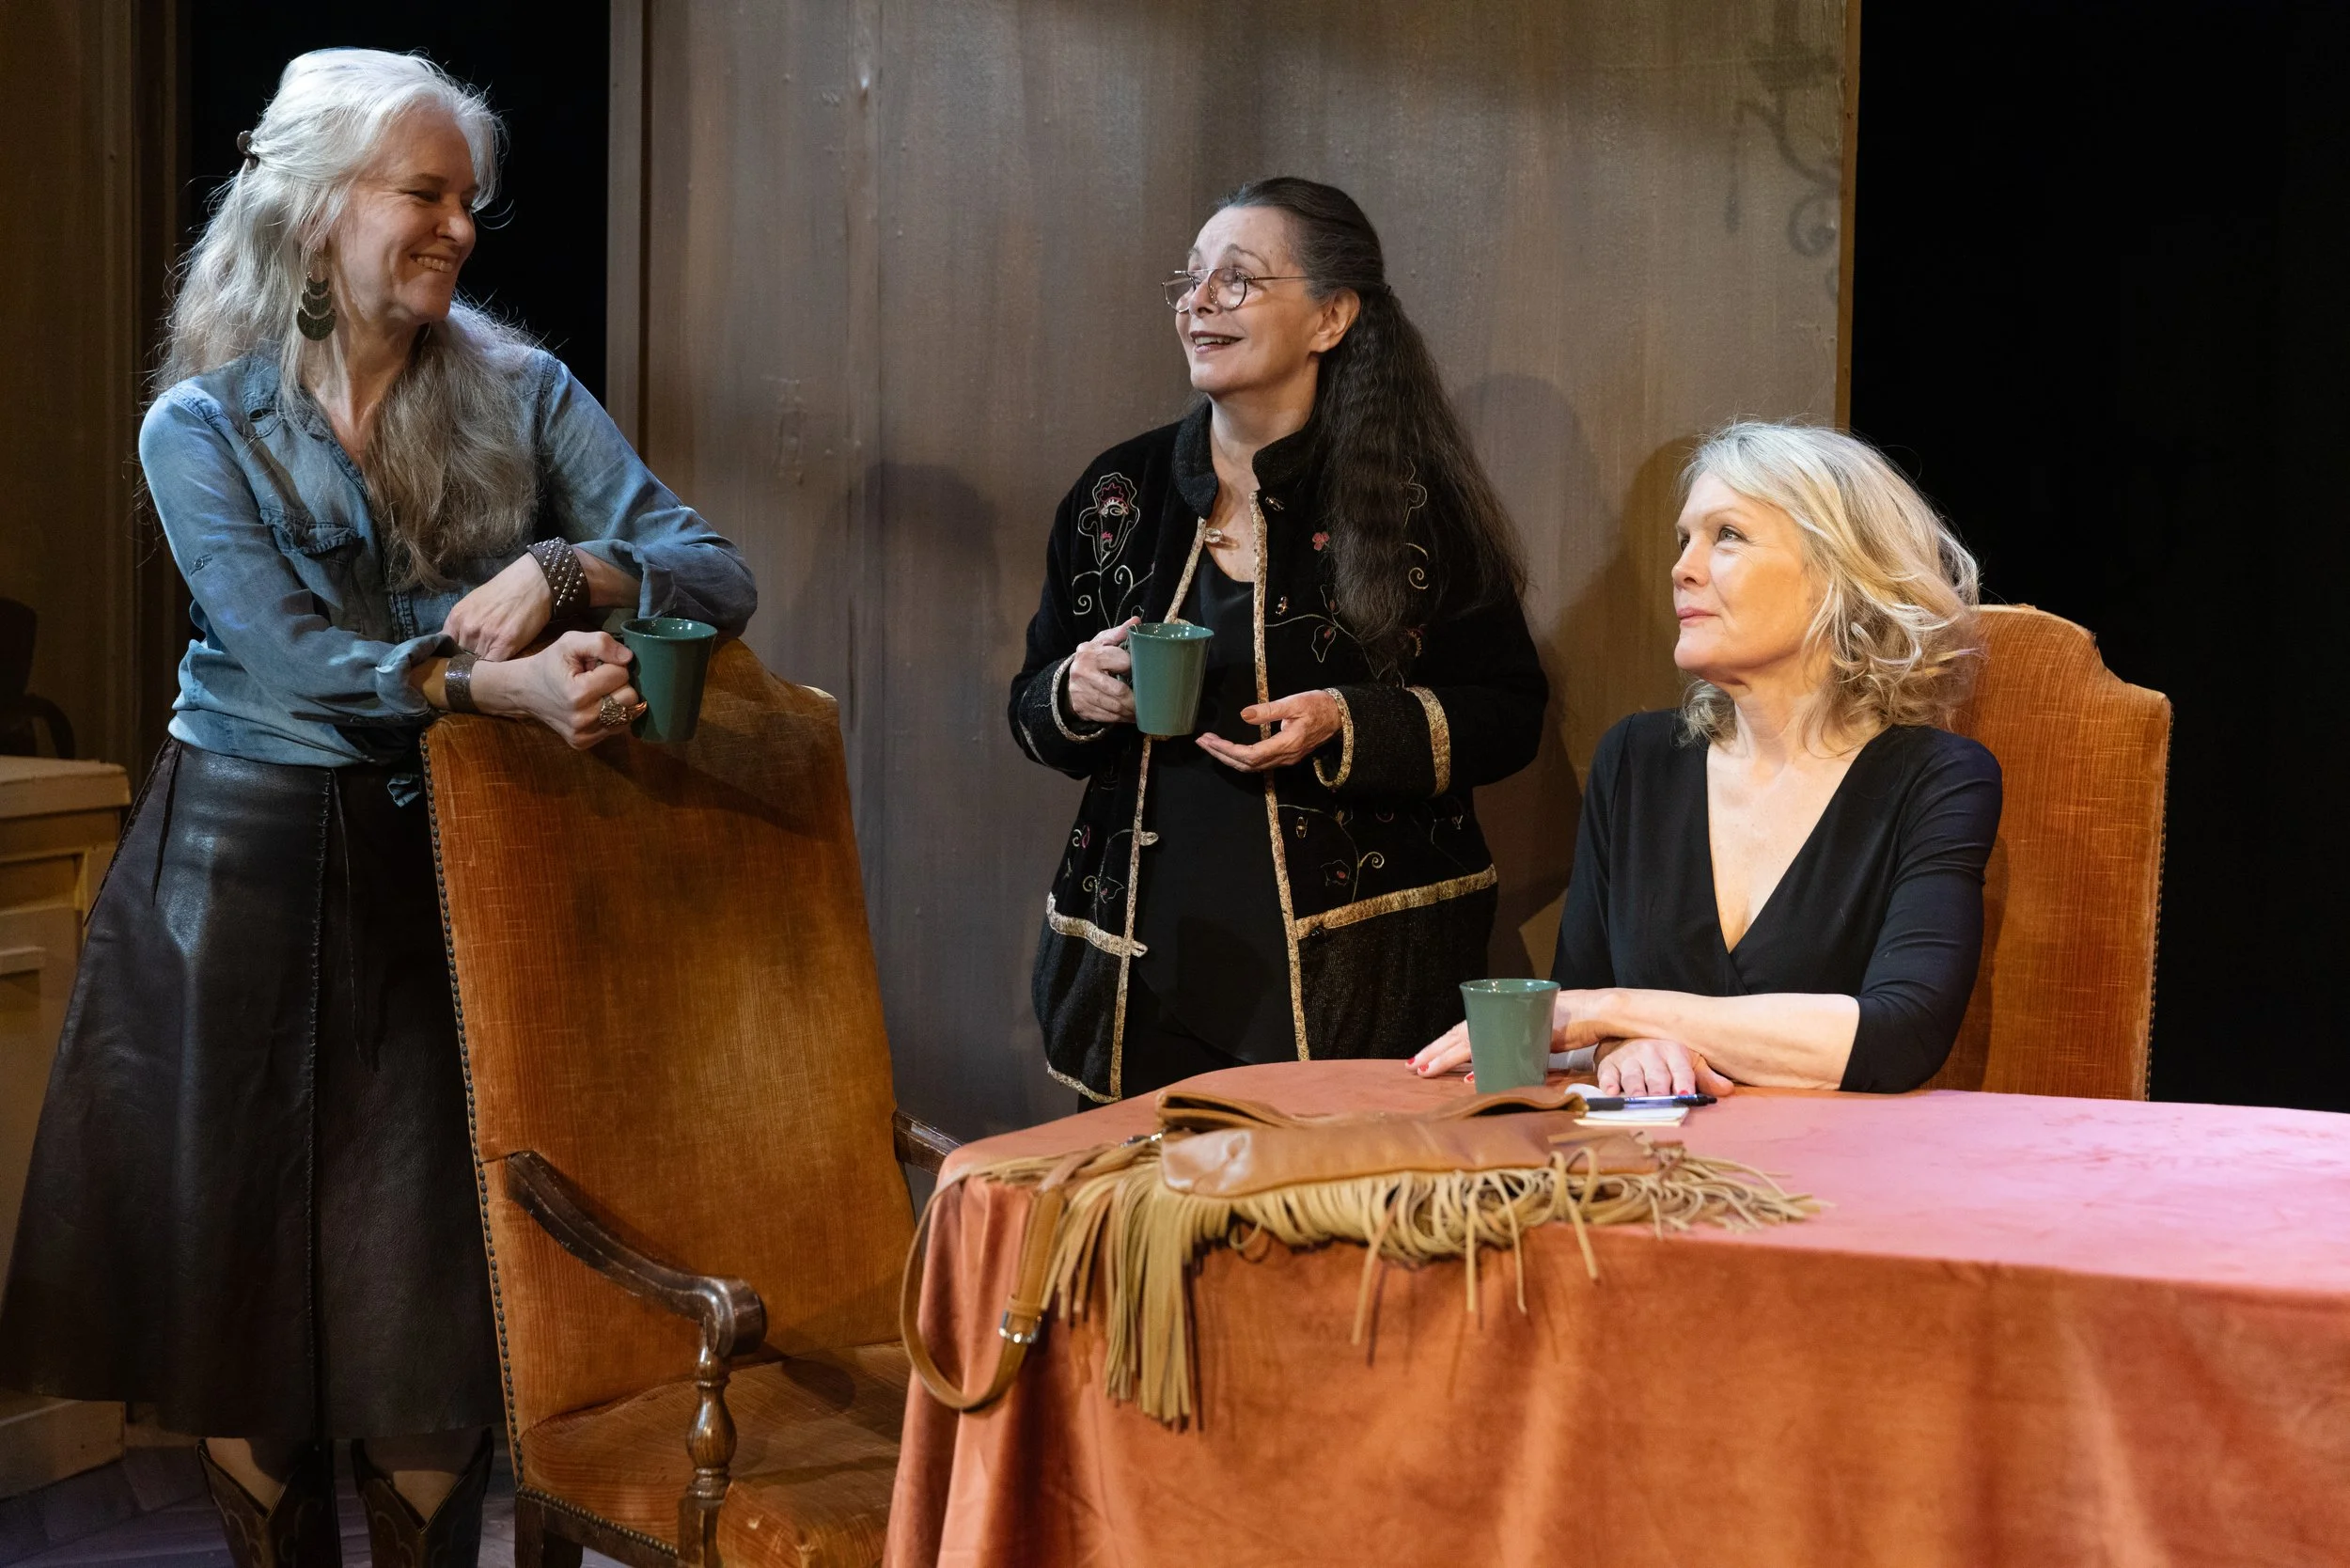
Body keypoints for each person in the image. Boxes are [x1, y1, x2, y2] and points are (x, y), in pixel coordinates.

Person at [0, 49, 754, 1568]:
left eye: (468, 199)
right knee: (243, 1312)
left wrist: (567, 568)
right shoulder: (200, 425)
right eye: (424, 193)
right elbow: (284, 649)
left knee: (429, 1315)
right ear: (318, 202)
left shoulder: (522, 388)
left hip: (461, 868)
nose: (459, 228)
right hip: (241, 872)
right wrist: (490, 686)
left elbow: (714, 569)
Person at [1010, 177, 1547, 1104]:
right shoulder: (1118, 493)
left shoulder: (1415, 505)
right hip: (1144, 976)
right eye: (1191, 279)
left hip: (1362, 974)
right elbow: (1030, 706)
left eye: (1238, 280)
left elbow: (1509, 715)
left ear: (1331, 317)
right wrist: (1073, 690)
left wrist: (1348, 721)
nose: (1198, 302)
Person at [1412, 421, 2000, 1095]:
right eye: (1683, 539)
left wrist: (1616, 1012)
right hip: (1651, 1152)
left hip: (1833, 1157)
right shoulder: (1635, 761)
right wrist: (1624, 1047)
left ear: (1839, 574)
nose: (1681, 568)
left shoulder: (1938, 779)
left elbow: (1901, 1034)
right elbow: (1573, 1018)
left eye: (1727, 535)